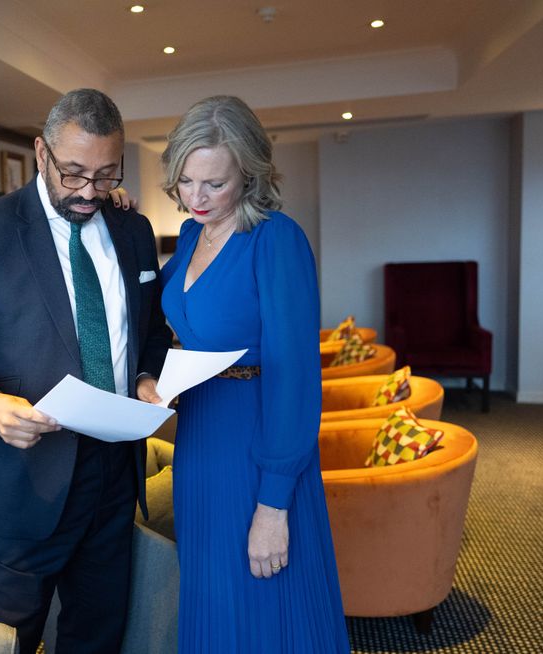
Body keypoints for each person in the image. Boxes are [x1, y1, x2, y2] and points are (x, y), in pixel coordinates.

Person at [0, 88, 171, 654]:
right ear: (41, 153)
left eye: (106, 175)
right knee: (10, 639)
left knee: (98, 631)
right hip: (27, 476)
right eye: (75, 173)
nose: (88, 192)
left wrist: (144, 378)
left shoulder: (132, 231)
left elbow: (150, 331)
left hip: (115, 472)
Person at [158, 96, 350, 652]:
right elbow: (157, 307)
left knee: (265, 600)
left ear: (249, 174)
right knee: (212, 595)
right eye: (186, 181)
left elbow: (294, 377)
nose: (196, 197)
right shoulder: (193, 236)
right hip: (199, 439)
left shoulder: (276, 239)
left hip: (257, 442)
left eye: (214, 184)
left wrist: (274, 503)